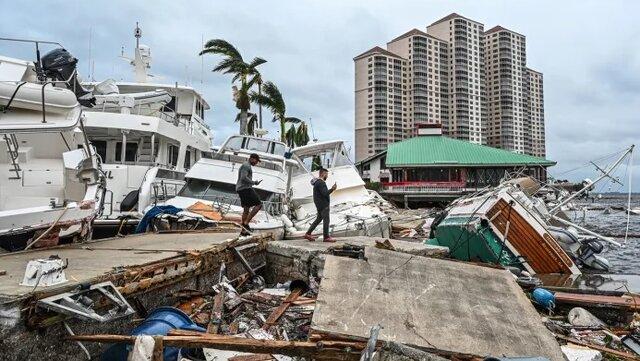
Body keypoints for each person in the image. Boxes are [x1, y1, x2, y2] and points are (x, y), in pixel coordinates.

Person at [304, 167, 337, 242]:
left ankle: (308, 234)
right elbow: (325, 193)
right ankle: (326, 237)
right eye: (326, 174)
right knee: (326, 220)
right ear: (323, 174)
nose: (327, 176)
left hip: (319, 205)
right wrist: (332, 189)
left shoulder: (317, 183)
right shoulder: (321, 183)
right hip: (324, 205)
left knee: (318, 219)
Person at [236, 153, 262, 235]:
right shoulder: (246, 165)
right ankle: (246, 223)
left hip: (241, 189)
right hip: (245, 188)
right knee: (259, 204)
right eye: (256, 161)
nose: (256, 163)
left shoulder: (246, 165)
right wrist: (253, 182)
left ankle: (243, 230)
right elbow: (243, 178)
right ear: (252, 159)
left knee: (246, 209)